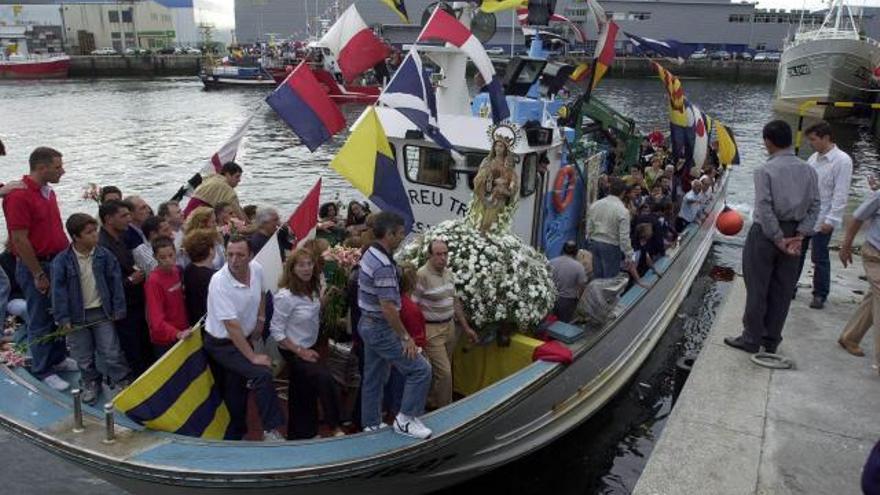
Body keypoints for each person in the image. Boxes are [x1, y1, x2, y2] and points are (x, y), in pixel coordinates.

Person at [725, 120, 819, 354]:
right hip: (796, 233)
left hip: (766, 236)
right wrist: (799, 235)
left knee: (757, 286)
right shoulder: (809, 169)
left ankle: (751, 338)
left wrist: (778, 238)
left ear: (768, 141)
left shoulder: (765, 170)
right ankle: (771, 338)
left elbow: (765, 208)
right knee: (783, 288)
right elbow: (816, 205)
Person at [3, 147, 75, 390]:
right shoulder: (19, 197)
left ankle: (58, 357)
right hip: (39, 264)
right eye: (58, 167)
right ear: (41, 167)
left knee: (57, 312)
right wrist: (37, 274)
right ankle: (43, 368)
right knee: (39, 317)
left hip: (57, 261)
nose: (62, 171)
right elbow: (20, 239)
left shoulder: (48, 192)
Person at [358, 212, 432, 438]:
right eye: (400, 233)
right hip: (380, 328)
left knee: (374, 375)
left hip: (367, 324)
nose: (403, 237)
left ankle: (371, 423)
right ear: (389, 234)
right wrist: (405, 338)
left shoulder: (370, 252)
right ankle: (406, 420)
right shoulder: (383, 266)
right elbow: (388, 307)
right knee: (421, 370)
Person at [203, 235, 285, 441]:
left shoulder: (256, 269)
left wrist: (260, 319)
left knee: (236, 388)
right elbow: (231, 326)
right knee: (261, 374)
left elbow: (263, 292)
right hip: (222, 344)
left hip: (243, 337)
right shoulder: (219, 282)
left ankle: (236, 434)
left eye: (240, 255)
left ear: (250, 256)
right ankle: (271, 430)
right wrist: (253, 357)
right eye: (229, 254)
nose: (233, 260)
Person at [51, 213, 130, 404]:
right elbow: (58, 292)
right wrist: (63, 319)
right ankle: (90, 382)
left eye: (95, 230)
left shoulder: (104, 255)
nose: (95, 235)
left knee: (111, 351)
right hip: (77, 316)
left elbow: (115, 282)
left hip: (101, 312)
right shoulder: (62, 261)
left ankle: (122, 380)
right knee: (83, 355)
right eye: (89, 232)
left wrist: (118, 308)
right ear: (76, 237)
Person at [270, 248, 345, 439]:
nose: (306, 269)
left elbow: (310, 310)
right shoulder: (285, 297)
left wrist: (324, 301)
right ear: (292, 269)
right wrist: (300, 351)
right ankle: (335, 426)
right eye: (301, 265)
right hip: (292, 349)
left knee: (302, 392)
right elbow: (276, 332)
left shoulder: (311, 289)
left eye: (309, 264)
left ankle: (301, 435)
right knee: (323, 378)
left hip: (309, 346)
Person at [795, 121, 853, 310]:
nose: (811, 143)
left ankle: (820, 293)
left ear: (826, 138)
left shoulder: (842, 161)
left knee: (819, 257)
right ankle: (790, 286)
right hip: (806, 215)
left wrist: (832, 219)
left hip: (824, 216)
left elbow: (841, 193)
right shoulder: (813, 158)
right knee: (797, 253)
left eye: (813, 139)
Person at [414, 240, 478, 408]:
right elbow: (413, 306)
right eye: (438, 254)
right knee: (445, 373)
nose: (443, 258)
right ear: (429, 255)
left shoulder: (448, 273)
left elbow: (454, 301)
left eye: (445, 254)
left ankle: (431, 402)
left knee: (441, 370)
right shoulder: (422, 275)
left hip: (449, 327)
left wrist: (466, 327)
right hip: (432, 330)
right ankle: (445, 409)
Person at [98, 200, 153, 376]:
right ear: (108, 219)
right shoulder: (102, 246)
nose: (129, 219)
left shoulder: (120, 237)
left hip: (135, 300)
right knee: (133, 347)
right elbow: (104, 285)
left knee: (143, 343)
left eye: (129, 214)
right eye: (124, 216)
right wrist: (130, 280)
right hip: (124, 306)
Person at [837, 189, 880, 374]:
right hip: (875, 255)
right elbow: (857, 218)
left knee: (874, 299)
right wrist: (845, 246)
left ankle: (850, 337)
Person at [145, 237, 190, 357]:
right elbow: (156, 319)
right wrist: (176, 333)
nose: (168, 260)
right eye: (163, 258)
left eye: (171, 255)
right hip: (166, 340)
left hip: (183, 332)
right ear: (155, 257)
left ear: (176, 252)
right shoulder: (153, 281)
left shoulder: (176, 271)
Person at [587, 177, 634, 279]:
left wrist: (590, 239)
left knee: (598, 277)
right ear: (623, 193)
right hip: (611, 246)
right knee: (610, 280)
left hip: (595, 243)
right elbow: (624, 237)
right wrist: (629, 255)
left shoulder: (596, 204)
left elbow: (589, 226)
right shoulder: (623, 211)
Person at [472, 139, 518, 232]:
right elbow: (479, 178)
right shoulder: (488, 161)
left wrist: (509, 185)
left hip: (500, 197)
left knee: (494, 223)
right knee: (482, 222)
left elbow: (513, 178)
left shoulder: (508, 163)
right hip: (486, 195)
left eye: (501, 146)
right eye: (496, 146)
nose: (498, 148)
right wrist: (492, 181)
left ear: (505, 149)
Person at [182, 229, 217, 326]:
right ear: (210, 251)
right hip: (210, 325)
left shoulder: (188, 269)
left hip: (195, 323)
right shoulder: (213, 277)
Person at [549, 240, 588, 323]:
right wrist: (579, 300)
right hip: (568, 301)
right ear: (576, 252)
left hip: (551, 298)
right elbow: (582, 286)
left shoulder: (552, 262)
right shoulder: (578, 267)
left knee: (550, 323)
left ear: (563, 250)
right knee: (563, 325)